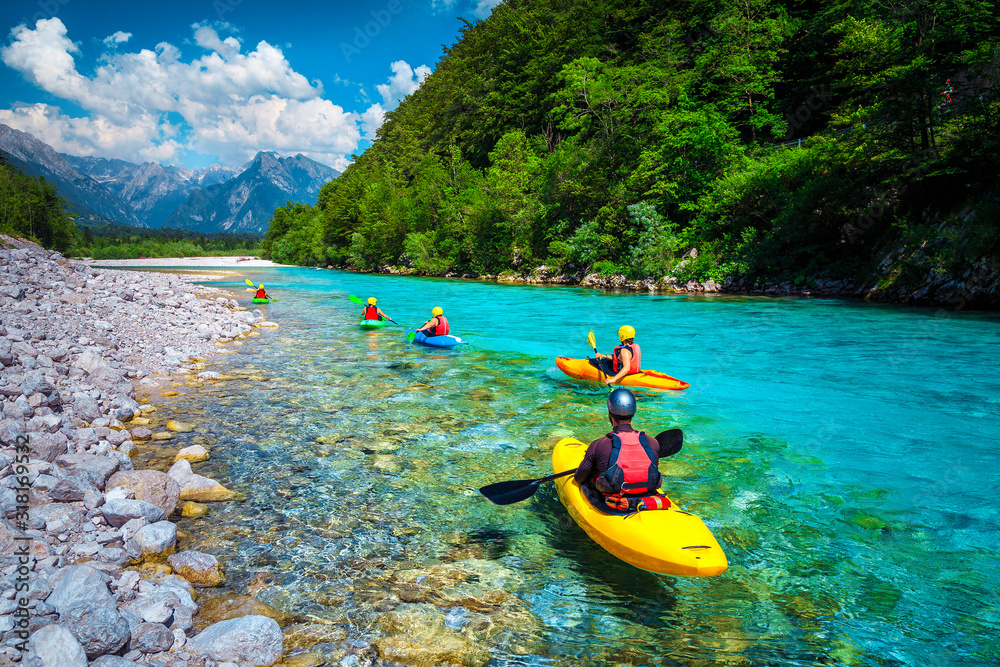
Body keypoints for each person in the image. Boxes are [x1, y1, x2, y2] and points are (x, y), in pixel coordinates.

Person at [574, 388, 668, 512]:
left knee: (591, 479)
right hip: (647, 499)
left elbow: (579, 478)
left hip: (615, 505)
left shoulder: (599, 444)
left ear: (610, 414)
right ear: (633, 414)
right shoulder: (652, 442)